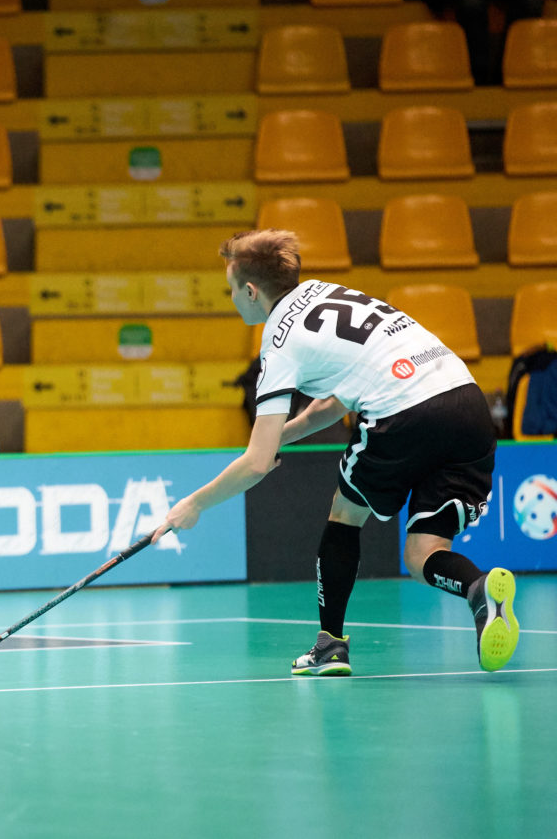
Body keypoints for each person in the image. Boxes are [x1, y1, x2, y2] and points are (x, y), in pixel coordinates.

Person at [151, 229, 519, 676]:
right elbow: (336, 400)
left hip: (402, 410)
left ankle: (331, 646)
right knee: (423, 554)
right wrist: (278, 437)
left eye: (232, 290)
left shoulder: (278, 342)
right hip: (466, 401)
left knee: (345, 516)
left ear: (251, 291)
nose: (232, 299)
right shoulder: (325, 293)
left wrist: (193, 505)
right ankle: (479, 588)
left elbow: (256, 464)